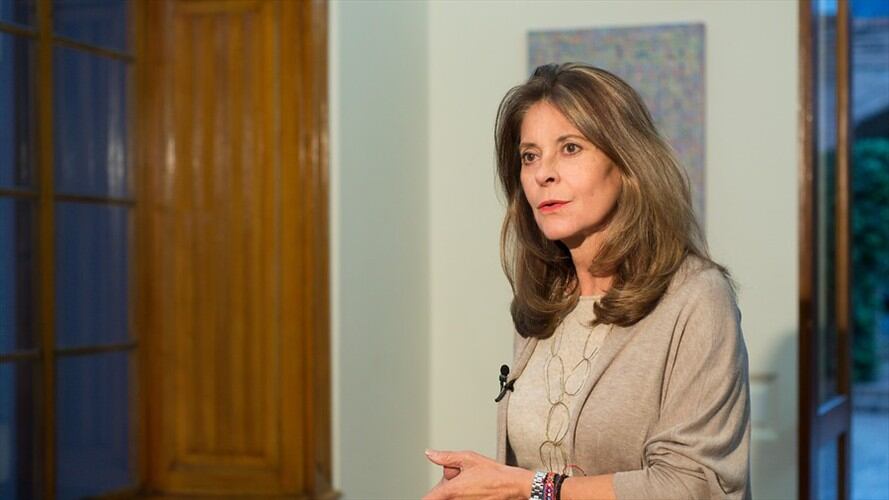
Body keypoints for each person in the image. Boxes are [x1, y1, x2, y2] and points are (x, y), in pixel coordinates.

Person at [423, 63, 751, 500]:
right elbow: (543, 466)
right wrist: (487, 487)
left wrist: (529, 488)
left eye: (571, 148)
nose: (544, 173)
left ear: (627, 163)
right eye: (530, 156)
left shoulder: (696, 297)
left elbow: (690, 485)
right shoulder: (543, 302)